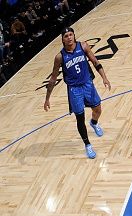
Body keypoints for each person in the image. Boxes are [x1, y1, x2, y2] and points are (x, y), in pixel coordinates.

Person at [44, 27, 111, 159]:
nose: (69, 38)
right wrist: (47, 98)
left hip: (88, 84)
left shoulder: (84, 46)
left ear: (74, 35)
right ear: (62, 39)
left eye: (71, 35)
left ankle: (94, 123)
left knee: (97, 109)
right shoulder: (60, 57)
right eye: (66, 36)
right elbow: (52, 79)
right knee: (80, 118)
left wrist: (104, 77)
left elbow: (95, 62)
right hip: (74, 90)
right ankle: (87, 145)